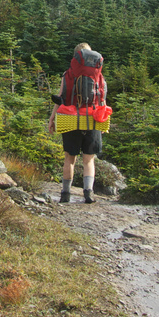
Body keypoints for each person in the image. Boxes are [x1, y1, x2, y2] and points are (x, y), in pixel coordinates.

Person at [47, 41, 106, 204]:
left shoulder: (68, 74)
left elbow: (60, 98)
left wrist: (52, 118)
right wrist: (102, 123)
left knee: (69, 158)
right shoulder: (98, 75)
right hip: (92, 119)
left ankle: (65, 194)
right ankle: (88, 194)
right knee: (89, 159)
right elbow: (102, 100)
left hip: (70, 119)